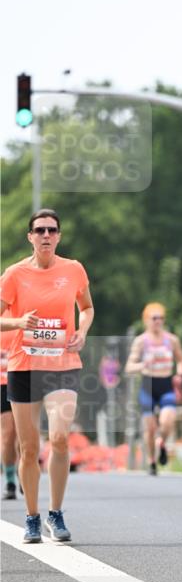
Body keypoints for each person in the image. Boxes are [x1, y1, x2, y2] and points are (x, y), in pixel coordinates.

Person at [0, 208, 94, 543]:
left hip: (63, 366)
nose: (46, 236)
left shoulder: (73, 270)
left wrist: (82, 331)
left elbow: (87, 307)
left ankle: (55, 511)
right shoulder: (14, 274)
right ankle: (32, 517)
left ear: (59, 236)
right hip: (24, 366)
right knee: (29, 447)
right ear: (30, 236)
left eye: (52, 230)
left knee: (59, 438)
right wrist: (18, 323)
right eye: (39, 230)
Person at [125, 303, 182, 475]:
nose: (158, 321)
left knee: (167, 422)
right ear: (146, 321)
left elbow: (181, 360)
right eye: (154, 318)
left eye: (161, 318)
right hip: (148, 386)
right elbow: (129, 367)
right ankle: (152, 460)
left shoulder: (172, 340)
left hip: (167, 384)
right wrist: (143, 364)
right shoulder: (141, 342)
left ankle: (162, 441)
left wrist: (179, 375)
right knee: (150, 428)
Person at [1, 329, 19, 499]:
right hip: (2, 382)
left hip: (22, 376)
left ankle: (25, 470)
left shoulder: (23, 309)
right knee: (7, 434)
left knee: (23, 433)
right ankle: (10, 480)